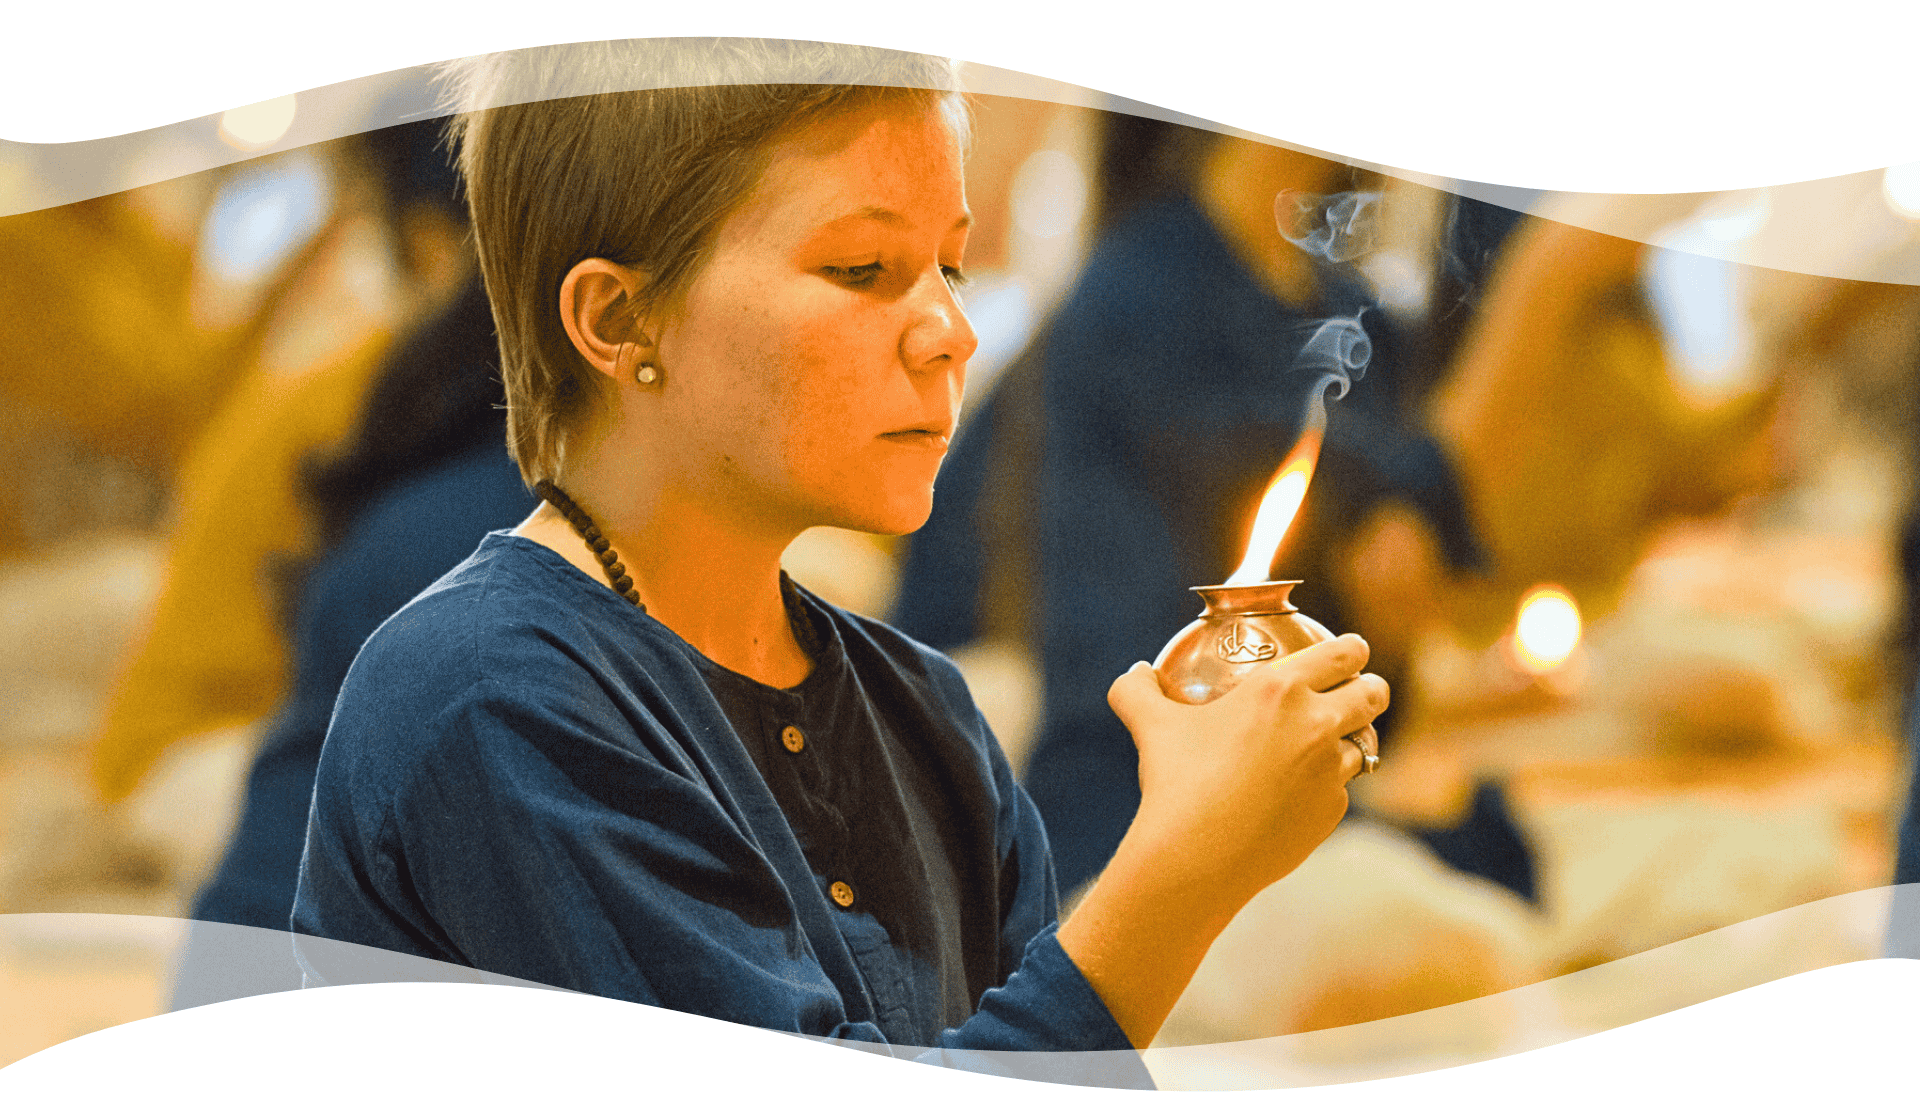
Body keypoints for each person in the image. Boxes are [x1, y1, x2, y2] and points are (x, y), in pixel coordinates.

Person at [291, 39, 1388, 1070]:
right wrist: (1181, 871)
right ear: (620, 320)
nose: (950, 332)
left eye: (949, 266)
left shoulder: (928, 714)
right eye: (864, 268)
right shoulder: (490, 693)